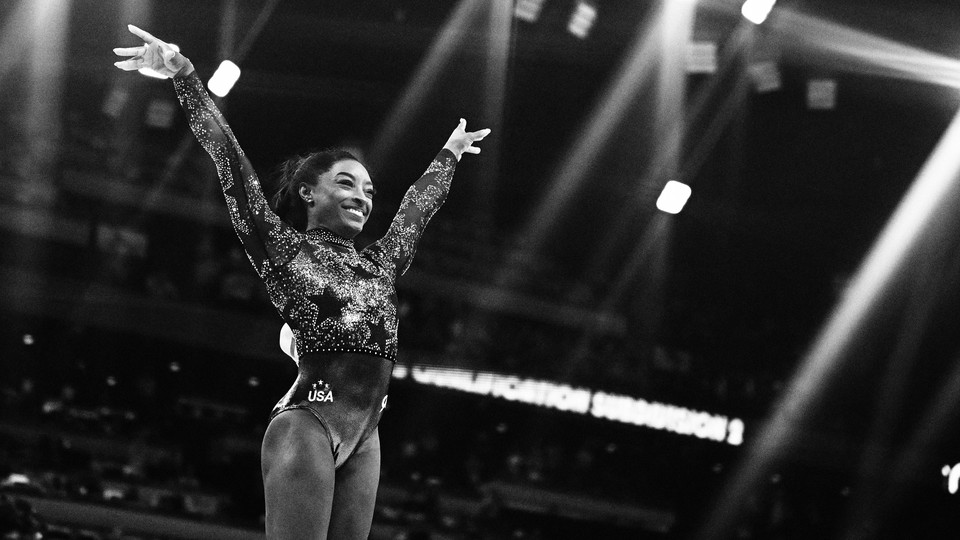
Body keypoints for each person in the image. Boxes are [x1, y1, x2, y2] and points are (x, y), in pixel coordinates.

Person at [113, 24, 490, 539]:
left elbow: (415, 212)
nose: (363, 196)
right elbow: (231, 163)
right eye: (345, 182)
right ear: (308, 193)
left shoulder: (382, 263)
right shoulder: (282, 248)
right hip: (308, 422)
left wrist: (448, 155)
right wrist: (185, 75)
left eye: (369, 189)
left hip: (367, 434)